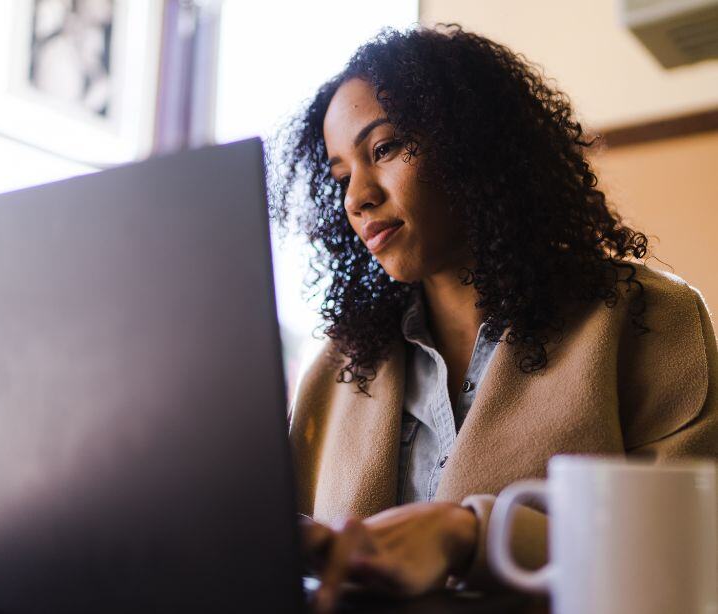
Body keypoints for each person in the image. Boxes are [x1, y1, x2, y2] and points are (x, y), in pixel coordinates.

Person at [271, 23, 718, 613]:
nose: (358, 197)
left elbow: (690, 552)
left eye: (382, 149)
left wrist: (473, 534)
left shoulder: (647, 321)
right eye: (342, 176)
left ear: (470, 142)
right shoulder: (337, 367)